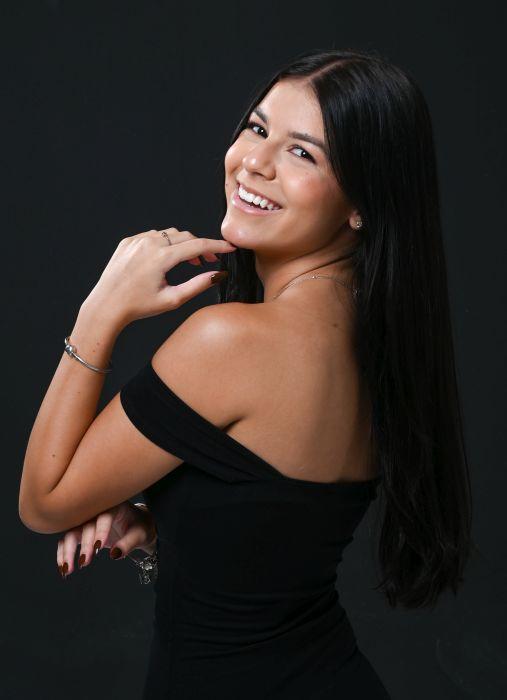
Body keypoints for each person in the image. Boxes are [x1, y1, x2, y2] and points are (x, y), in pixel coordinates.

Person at [19, 48, 474, 699]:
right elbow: (277, 542)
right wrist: (161, 530)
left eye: (303, 152)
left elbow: (44, 500)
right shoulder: (379, 348)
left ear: (362, 202)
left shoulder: (232, 341)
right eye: (258, 127)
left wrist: (100, 311)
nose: (255, 161)